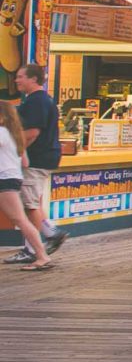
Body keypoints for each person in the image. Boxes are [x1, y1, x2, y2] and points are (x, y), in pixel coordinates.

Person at [12, 64, 67, 261]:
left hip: (36, 158)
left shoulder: (36, 102)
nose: (17, 80)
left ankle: (34, 248)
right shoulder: (42, 100)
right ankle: (50, 232)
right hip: (45, 157)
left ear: (33, 79)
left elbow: (32, 133)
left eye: (20, 77)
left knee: (30, 204)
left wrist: (17, 151)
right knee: (32, 201)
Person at [0, 101, 51, 270]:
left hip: (4, 181)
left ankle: (42, 256)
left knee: (20, 220)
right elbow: (26, 162)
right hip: (12, 178)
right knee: (20, 219)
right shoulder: (14, 135)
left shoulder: (1, 133)